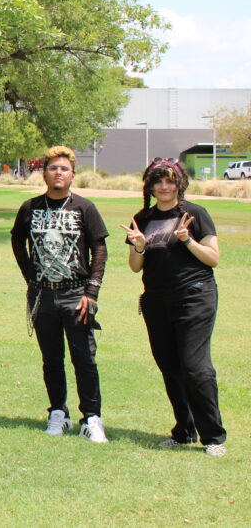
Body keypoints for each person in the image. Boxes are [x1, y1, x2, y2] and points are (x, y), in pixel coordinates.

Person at [121, 159, 226, 456]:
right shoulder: (142, 218)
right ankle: (184, 431)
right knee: (170, 367)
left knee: (195, 368)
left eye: (169, 181)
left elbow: (213, 258)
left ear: (179, 183)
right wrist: (139, 245)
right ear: (150, 186)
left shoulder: (196, 214)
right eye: (157, 181)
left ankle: (214, 437)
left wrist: (187, 241)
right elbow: (134, 266)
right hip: (156, 300)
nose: (163, 187)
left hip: (195, 297)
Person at [10, 146, 109, 443]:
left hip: (75, 293)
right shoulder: (30, 207)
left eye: (64, 169)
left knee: (84, 358)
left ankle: (91, 418)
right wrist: (31, 279)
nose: (58, 173)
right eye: (53, 168)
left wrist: (91, 291)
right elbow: (18, 243)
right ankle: (58, 412)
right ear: (44, 173)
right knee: (51, 358)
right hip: (43, 296)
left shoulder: (84, 208)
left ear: (72, 175)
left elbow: (99, 250)